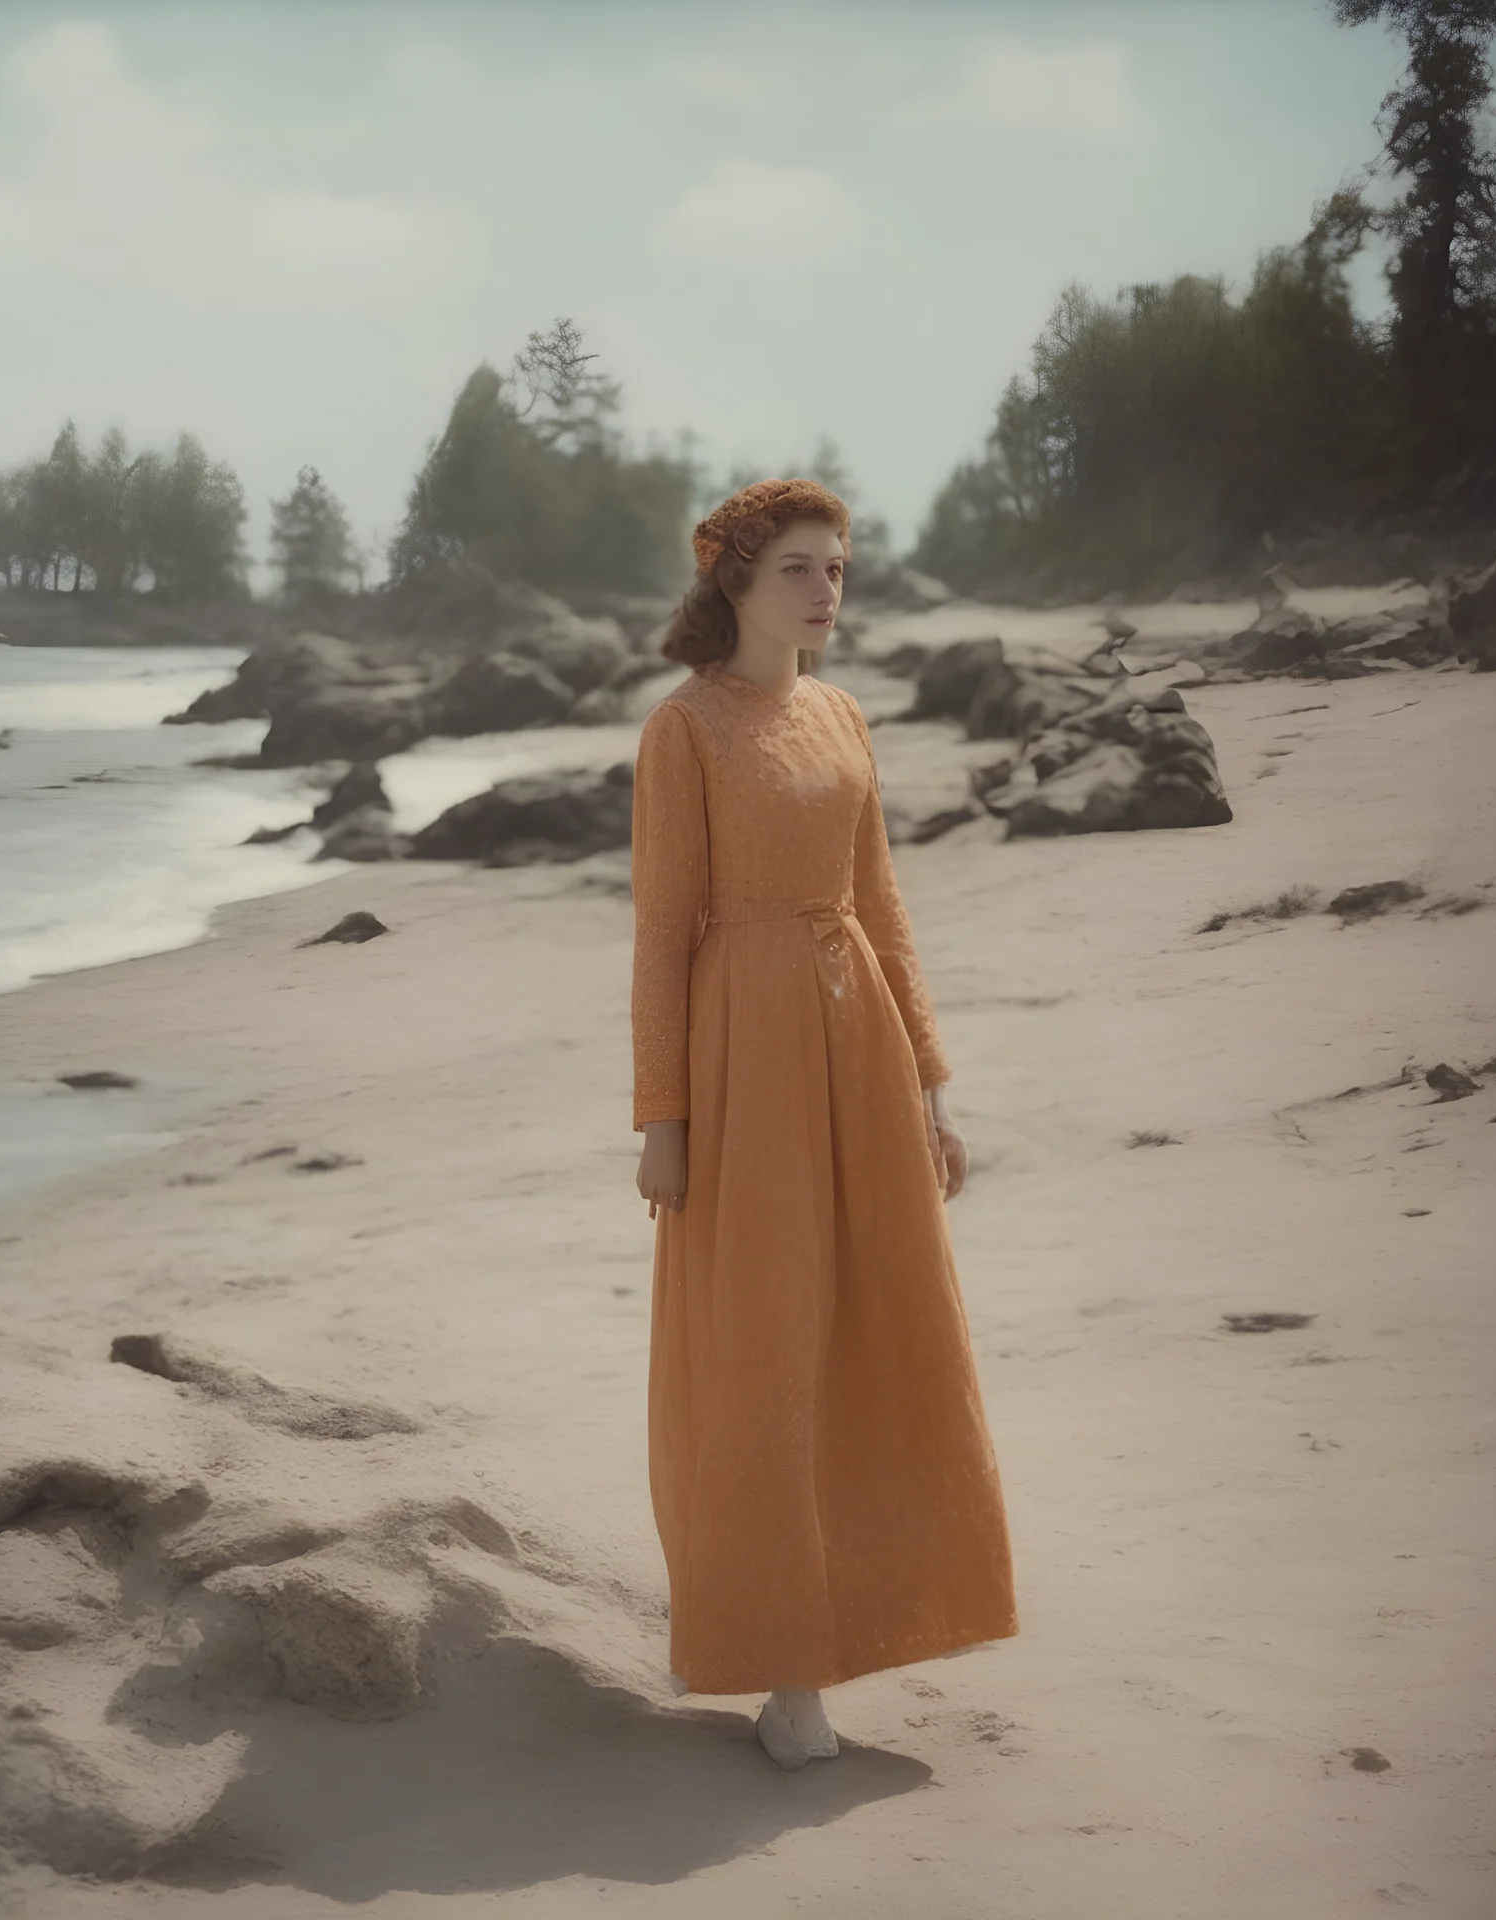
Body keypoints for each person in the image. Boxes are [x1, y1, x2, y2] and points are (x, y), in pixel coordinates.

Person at [630, 477, 1018, 1771]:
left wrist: (931, 1085)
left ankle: (875, 1618)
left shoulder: (844, 714)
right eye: (801, 566)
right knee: (763, 1352)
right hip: (744, 1065)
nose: (827, 588)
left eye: (838, 566)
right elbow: (660, 942)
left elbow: (884, 907)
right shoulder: (683, 732)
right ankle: (779, 1667)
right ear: (737, 579)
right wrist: (663, 1121)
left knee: (882, 1334)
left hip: (854, 1053)